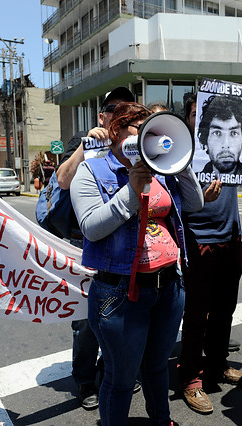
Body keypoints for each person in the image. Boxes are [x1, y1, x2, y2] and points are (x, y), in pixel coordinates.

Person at [70, 102, 204, 426]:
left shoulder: (161, 168)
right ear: (117, 131)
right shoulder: (92, 172)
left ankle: (161, 420)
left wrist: (179, 164)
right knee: (121, 378)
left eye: (154, 129)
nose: (150, 136)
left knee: (158, 367)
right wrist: (132, 188)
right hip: (120, 294)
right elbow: (91, 226)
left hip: (169, 288)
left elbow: (196, 204)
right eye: (140, 128)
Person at [178, 84, 242, 415]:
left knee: (224, 311)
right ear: (190, 121)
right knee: (196, 317)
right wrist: (200, 198)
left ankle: (217, 365)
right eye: (194, 115)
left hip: (231, 240)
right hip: (198, 242)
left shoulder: (231, 147)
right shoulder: (178, 153)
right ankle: (191, 378)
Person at [54, 87, 137, 410]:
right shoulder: (83, 141)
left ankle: (112, 370)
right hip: (83, 241)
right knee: (87, 321)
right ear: (102, 116)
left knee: (122, 314)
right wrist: (86, 146)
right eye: (114, 108)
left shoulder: (131, 139)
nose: (120, 113)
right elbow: (63, 180)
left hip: (124, 238)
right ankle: (85, 378)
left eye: (127, 108)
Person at [197, 94, 242, 179]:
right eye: (217, 133)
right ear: (205, 140)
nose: (226, 144)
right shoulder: (194, 181)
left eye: (234, 133)